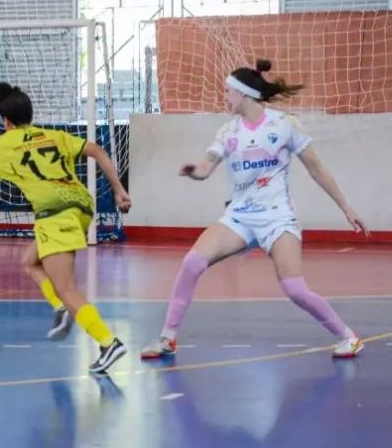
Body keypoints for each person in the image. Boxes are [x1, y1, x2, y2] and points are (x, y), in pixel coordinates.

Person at [139, 59, 369, 360]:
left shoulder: (285, 124)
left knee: (294, 288)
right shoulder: (228, 131)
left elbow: (316, 169)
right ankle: (167, 338)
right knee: (192, 262)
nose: (224, 97)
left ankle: (349, 337)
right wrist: (196, 170)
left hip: (277, 218)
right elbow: (207, 165)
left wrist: (346, 207)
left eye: (228, 91)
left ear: (244, 93)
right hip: (239, 217)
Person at [0, 82, 133, 374]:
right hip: (81, 207)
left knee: (67, 288)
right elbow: (97, 150)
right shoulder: (52, 135)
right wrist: (119, 189)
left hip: (55, 215)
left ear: (5, 121)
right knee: (29, 261)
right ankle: (61, 308)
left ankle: (107, 342)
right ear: (30, 114)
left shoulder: (2, 145)